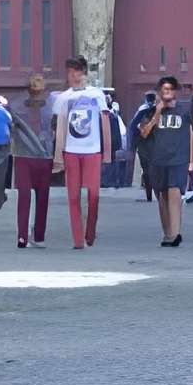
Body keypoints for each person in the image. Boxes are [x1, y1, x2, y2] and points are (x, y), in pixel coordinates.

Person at [54, 55, 112, 250]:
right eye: (69, 72)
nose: (73, 75)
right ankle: (78, 239)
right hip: (71, 151)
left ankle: (90, 230)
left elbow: (105, 123)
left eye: (76, 71)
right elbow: (61, 127)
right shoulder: (64, 98)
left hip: (93, 151)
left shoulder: (97, 95)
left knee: (93, 195)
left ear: (84, 72)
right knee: (73, 196)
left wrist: (107, 152)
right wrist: (58, 156)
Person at [136, 75, 191, 244]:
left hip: (178, 159)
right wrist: (157, 112)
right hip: (157, 160)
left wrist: (192, 160)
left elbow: (192, 134)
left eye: (169, 89)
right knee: (163, 197)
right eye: (163, 89)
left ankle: (175, 234)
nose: (166, 92)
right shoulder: (149, 112)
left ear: (174, 91)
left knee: (174, 194)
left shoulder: (185, 111)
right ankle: (168, 234)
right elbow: (144, 132)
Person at [9, 73, 56, 248]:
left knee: (43, 197)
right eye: (34, 81)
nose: (38, 85)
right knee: (25, 196)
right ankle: (22, 236)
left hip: (45, 156)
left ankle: (38, 235)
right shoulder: (16, 105)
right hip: (23, 155)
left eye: (41, 81)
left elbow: (56, 128)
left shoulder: (51, 105)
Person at [129, 91, 157, 199]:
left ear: (146, 99)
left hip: (143, 143)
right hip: (157, 143)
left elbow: (132, 126)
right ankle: (159, 194)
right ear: (154, 99)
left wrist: (134, 143)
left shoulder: (142, 109)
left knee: (146, 169)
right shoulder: (158, 110)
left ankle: (149, 195)